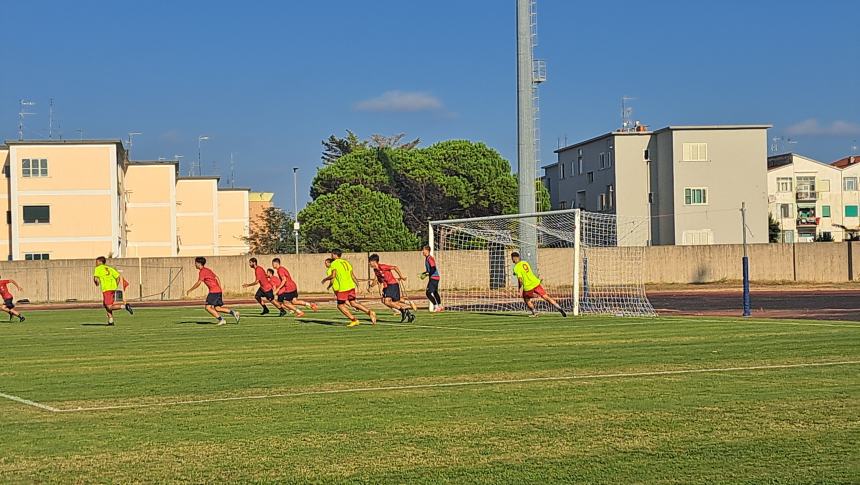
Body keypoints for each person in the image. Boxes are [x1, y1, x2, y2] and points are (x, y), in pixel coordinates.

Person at [321, 249, 376, 327]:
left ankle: (354, 320)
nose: (331, 256)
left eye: (332, 254)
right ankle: (370, 312)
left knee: (340, 305)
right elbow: (352, 275)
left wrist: (325, 279)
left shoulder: (334, 263)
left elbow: (333, 275)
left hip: (343, 287)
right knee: (353, 303)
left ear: (334, 255)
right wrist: (357, 284)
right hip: (351, 286)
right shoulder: (346, 262)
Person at [185, 257, 239, 326]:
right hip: (218, 291)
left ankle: (221, 320)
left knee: (207, 307)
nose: (194, 264)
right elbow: (216, 277)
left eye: (195, 263)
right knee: (217, 308)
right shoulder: (208, 270)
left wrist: (190, 290)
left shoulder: (202, 272)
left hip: (214, 291)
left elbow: (199, 282)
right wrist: (219, 288)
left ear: (199, 263)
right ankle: (234, 313)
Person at [511, 252, 567, 317]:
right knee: (546, 297)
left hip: (528, 286)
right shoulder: (525, 262)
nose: (512, 260)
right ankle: (559, 307)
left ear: (514, 258)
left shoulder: (516, 268)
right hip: (536, 282)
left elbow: (520, 280)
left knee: (526, 299)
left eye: (512, 258)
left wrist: (519, 287)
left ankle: (535, 312)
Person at [369, 254, 414, 323]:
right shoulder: (375, 270)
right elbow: (379, 280)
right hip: (387, 286)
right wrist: (375, 287)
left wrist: (401, 276)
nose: (369, 263)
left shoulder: (382, 266)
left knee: (387, 301)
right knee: (390, 302)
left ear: (374, 261)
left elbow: (395, 267)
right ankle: (409, 314)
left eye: (370, 261)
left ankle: (403, 311)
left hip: (392, 284)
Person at [92, 256, 134, 326]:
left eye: (96, 262)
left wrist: (96, 282)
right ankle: (111, 320)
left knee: (109, 306)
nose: (95, 263)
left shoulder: (98, 268)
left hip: (107, 289)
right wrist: (115, 286)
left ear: (100, 262)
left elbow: (96, 279)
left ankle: (125, 306)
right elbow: (118, 277)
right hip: (112, 288)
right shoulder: (109, 268)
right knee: (105, 304)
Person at [420, 245, 444, 312]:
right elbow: (430, 269)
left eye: (423, 250)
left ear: (427, 251)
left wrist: (429, 273)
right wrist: (425, 273)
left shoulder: (429, 258)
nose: (422, 251)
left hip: (434, 277)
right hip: (435, 277)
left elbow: (433, 267)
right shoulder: (427, 258)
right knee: (435, 292)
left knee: (428, 293)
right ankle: (440, 306)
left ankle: (436, 307)